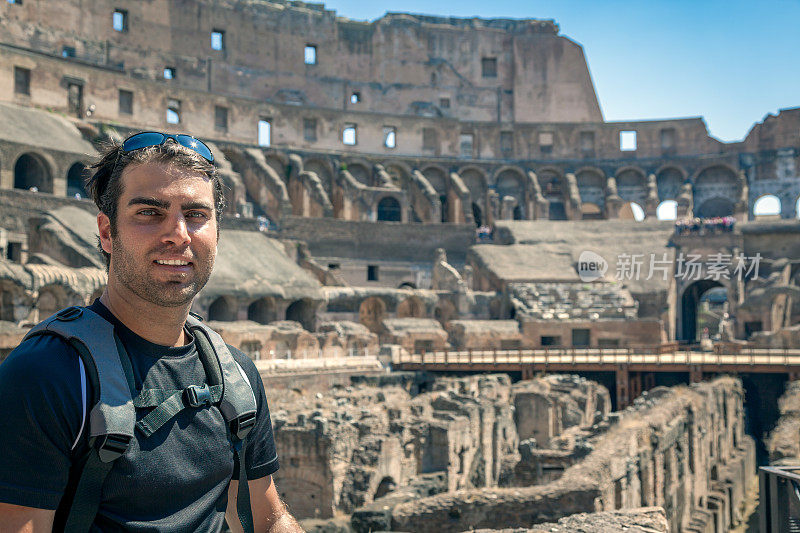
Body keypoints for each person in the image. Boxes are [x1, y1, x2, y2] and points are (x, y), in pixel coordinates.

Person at [0, 132, 303, 532]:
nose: (178, 233)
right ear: (107, 233)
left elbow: (267, 519)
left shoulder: (236, 376)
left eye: (196, 215)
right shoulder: (47, 373)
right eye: (149, 212)